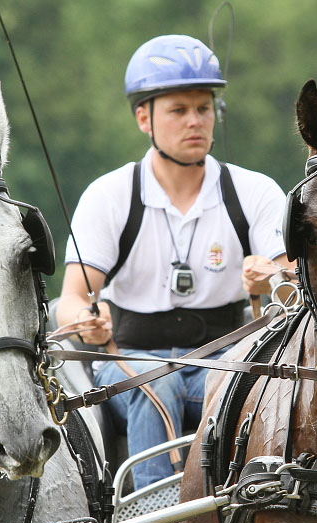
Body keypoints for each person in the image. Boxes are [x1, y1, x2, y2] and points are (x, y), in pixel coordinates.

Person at [56, 34, 290, 489]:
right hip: (129, 357)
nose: (194, 122)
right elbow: (71, 300)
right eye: (178, 111)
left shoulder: (254, 192)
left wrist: (273, 278)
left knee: (257, 386)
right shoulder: (109, 196)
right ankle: (154, 519)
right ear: (144, 117)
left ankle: (248, 506)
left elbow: (296, 283)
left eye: (203, 109)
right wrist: (87, 321)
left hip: (225, 356)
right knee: (155, 385)